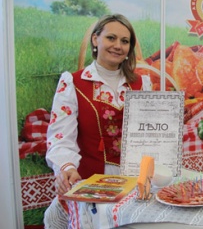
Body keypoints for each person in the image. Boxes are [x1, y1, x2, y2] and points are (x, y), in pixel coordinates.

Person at [46, 14, 152, 195]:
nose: (118, 46)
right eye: (111, 38)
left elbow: (151, 135)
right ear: (95, 39)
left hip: (136, 180)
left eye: (125, 41)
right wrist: (68, 167)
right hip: (90, 180)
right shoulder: (73, 83)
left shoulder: (142, 84)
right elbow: (60, 138)